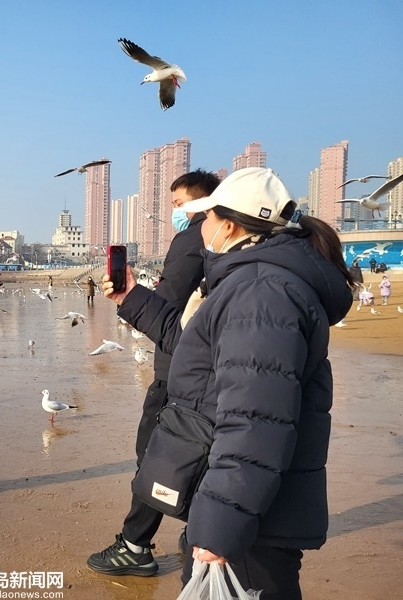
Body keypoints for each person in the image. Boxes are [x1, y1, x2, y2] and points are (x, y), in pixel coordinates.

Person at [101, 168, 353, 599]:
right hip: (249, 508)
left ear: (230, 225)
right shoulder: (251, 282)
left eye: (206, 217)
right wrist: (131, 297)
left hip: (250, 522)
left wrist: (222, 523)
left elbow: (256, 419)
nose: (200, 228)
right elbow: (194, 347)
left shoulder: (260, 293)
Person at [87, 169, 220, 577]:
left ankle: (135, 546)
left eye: (178, 204)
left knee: (156, 458)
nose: (174, 212)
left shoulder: (195, 237)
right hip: (207, 371)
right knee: (199, 455)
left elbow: (169, 305)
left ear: (201, 203)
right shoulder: (230, 250)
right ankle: (200, 532)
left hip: (178, 369)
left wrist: (132, 298)